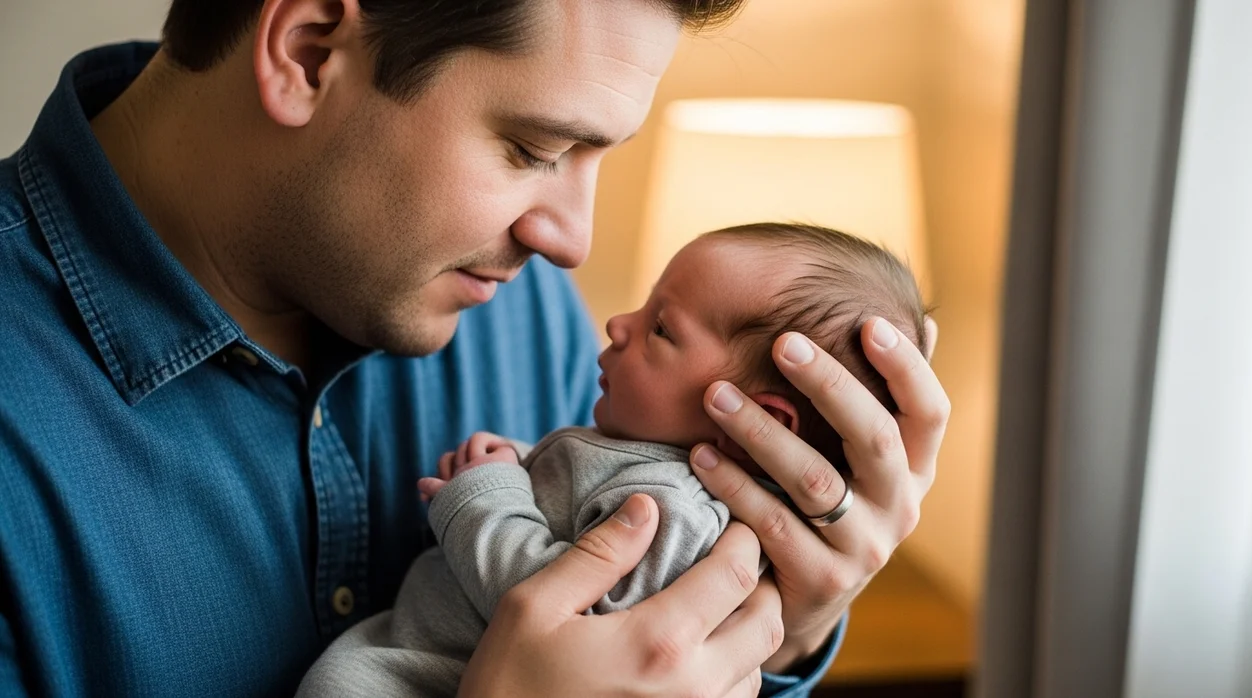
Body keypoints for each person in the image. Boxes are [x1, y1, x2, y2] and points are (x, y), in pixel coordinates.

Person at [0, 0, 950, 695]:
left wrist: (780, 625)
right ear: (309, 51)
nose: (571, 243)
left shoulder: (516, 308)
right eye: (534, 150)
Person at [296, 223, 930, 697]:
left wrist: (484, 495)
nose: (617, 324)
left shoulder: (671, 511)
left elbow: (551, 611)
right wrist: (515, 463)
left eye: (662, 329)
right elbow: (566, 495)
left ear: (757, 422)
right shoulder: (637, 453)